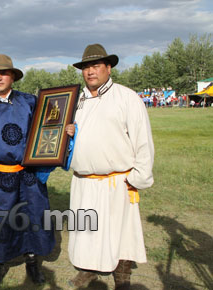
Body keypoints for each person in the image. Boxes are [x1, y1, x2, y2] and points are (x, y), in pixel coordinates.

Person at [65, 44, 154, 290]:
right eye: (86, 67)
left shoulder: (127, 98)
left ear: (108, 67)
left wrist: (138, 177)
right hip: (84, 181)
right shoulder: (76, 101)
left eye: (95, 66)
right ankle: (89, 270)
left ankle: (122, 276)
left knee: (121, 231)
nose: (90, 72)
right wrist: (69, 133)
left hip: (117, 180)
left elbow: (142, 141)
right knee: (87, 230)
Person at [0, 54, 55, 288]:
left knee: (32, 219)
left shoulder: (30, 102)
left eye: (4, 73)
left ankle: (32, 263)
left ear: (13, 76)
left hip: (27, 175)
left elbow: (49, 129)